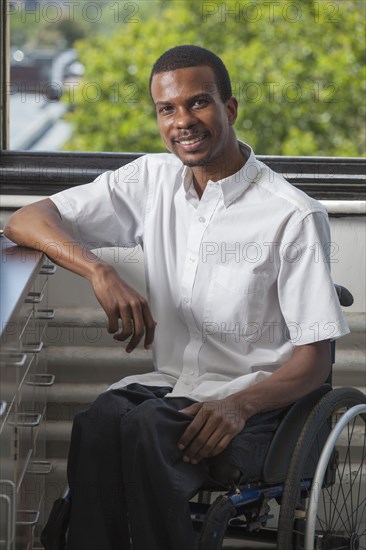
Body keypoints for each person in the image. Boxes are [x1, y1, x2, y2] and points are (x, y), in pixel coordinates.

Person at [4, 45, 349, 550]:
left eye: (198, 103)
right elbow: (24, 219)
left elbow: (314, 363)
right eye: (167, 108)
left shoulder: (291, 216)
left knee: (146, 429)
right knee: (99, 421)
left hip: (257, 402)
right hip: (173, 385)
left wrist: (239, 405)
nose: (182, 121)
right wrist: (97, 269)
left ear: (229, 109)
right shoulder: (150, 180)